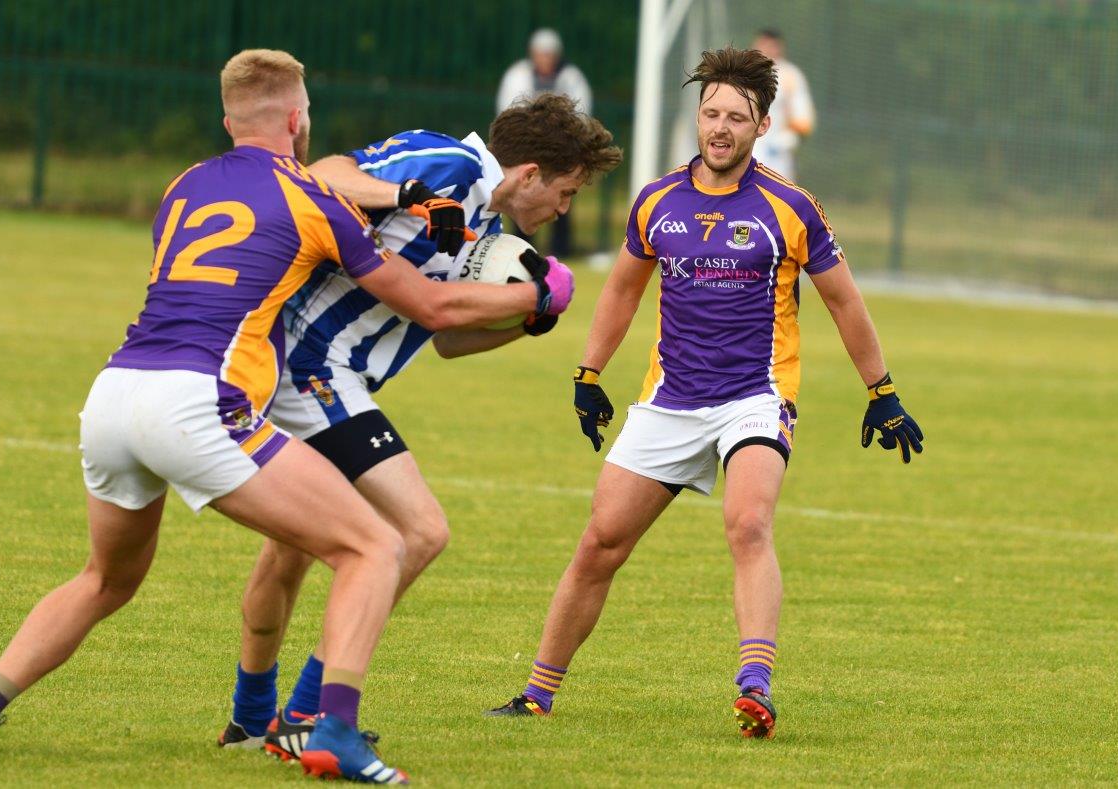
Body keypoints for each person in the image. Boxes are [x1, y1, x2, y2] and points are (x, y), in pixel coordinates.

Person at [0, 48, 571, 785]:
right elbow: (428, 305)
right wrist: (534, 297)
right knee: (376, 548)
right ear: (298, 120)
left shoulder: (183, 186)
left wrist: (420, 212)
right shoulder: (315, 198)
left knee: (105, 578)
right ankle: (326, 729)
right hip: (200, 402)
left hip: (114, 392)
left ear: (227, 119)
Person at [486, 47, 923, 738]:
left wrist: (883, 389)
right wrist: (589, 373)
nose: (720, 127)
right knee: (599, 542)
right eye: (711, 113)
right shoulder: (657, 200)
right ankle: (536, 692)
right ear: (697, 118)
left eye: (736, 117)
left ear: (761, 125)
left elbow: (844, 301)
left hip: (756, 394)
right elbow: (625, 290)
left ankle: (756, 684)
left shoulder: (791, 207)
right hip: (671, 399)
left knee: (747, 523)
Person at [215, 93, 623, 760]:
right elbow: (320, 175)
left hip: (334, 375)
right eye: (566, 191)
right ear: (527, 175)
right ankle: (308, 713)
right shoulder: (449, 162)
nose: (565, 209)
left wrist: (530, 319)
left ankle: (251, 717)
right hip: (309, 364)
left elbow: (448, 339)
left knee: (290, 551)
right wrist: (403, 193)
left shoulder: (491, 234)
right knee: (420, 530)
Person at [496, 28, 594, 258]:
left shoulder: (571, 77)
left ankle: (561, 249)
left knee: (560, 197)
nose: (545, 59)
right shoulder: (518, 75)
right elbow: (508, 111)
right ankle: (519, 246)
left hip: (562, 152)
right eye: (541, 54)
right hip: (525, 152)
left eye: (549, 54)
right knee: (522, 197)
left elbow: (582, 112)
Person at [750, 29, 816, 179]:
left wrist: (784, 142)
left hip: (776, 155)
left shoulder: (790, 76)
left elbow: (803, 120)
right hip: (747, 148)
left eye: (769, 45)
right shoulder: (743, 72)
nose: (764, 49)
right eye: (761, 44)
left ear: (778, 47)